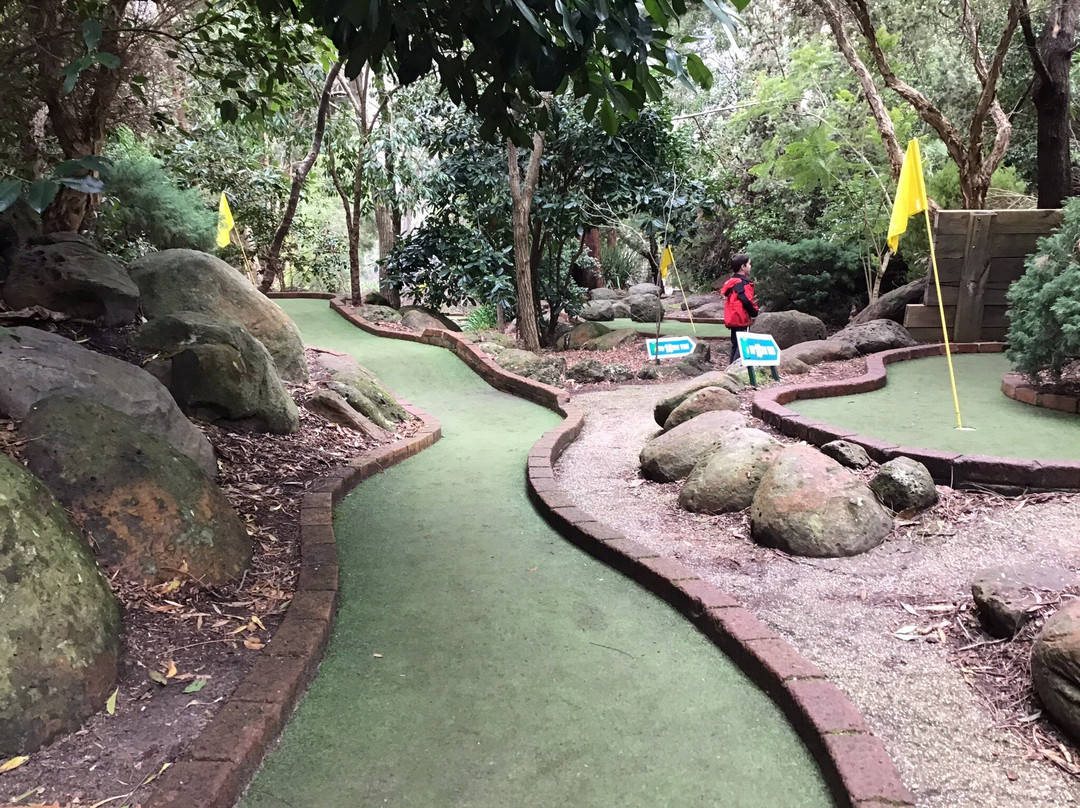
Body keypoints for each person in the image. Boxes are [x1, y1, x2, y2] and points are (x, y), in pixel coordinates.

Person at [721, 253, 759, 364]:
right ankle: (734, 369)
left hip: (733, 319)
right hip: (741, 319)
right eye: (749, 264)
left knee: (735, 345)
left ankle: (730, 368)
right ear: (743, 267)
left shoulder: (731, 282)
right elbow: (746, 300)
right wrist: (754, 311)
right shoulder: (743, 283)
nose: (750, 266)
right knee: (742, 346)